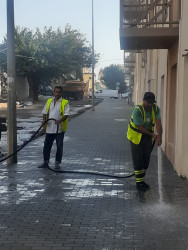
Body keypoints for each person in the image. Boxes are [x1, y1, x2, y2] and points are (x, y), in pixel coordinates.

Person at [127, 92, 162, 191]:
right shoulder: (137, 110)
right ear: (144, 101)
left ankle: (142, 180)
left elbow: (159, 125)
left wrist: (160, 137)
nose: (150, 105)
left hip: (147, 136)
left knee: (146, 159)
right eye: (148, 103)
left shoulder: (155, 108)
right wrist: (153, 135)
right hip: (135, 136)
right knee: (138, 158)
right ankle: (139, 183)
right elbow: (141, 128)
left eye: (152, 103)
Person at [38, 86, 69, 169]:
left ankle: (57, 163)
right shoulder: (49, 101)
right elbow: (44, 112)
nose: (57, 94)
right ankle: (45, 162)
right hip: (49, 128)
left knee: (59, 146)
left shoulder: (65, 102)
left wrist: (60, 120)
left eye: (59, 92)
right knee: (47, 146)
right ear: (53, 92)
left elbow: (66, 114)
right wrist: (44, 120)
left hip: (59, 128)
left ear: (61, 93)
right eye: (56, 92)